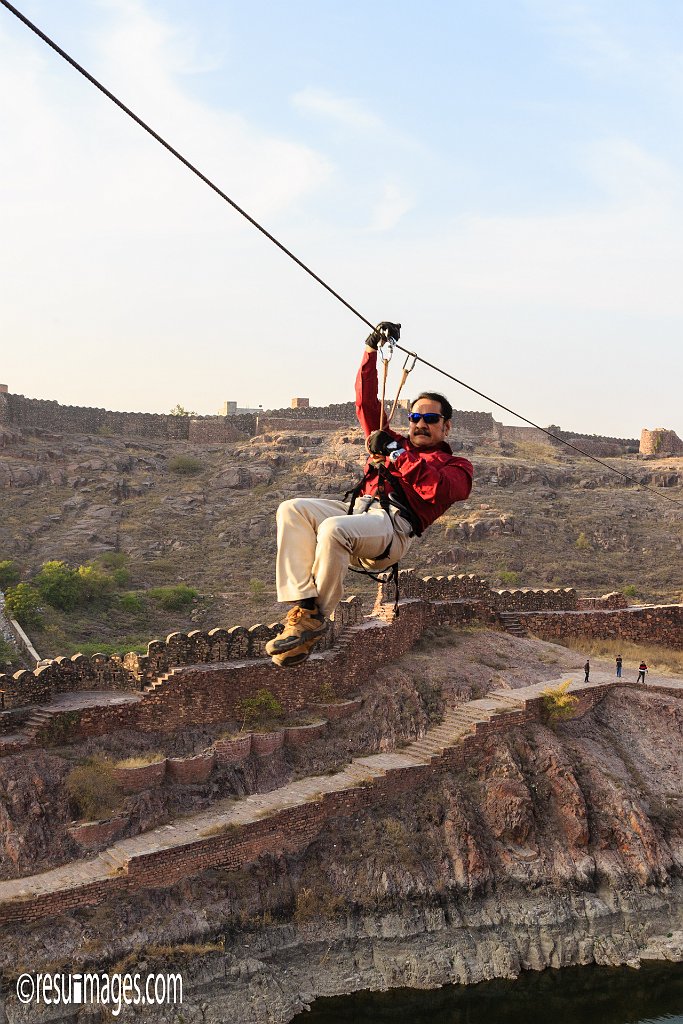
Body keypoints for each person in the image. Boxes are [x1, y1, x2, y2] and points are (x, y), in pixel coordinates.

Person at [265, 322, 474, 667]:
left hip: (391, 528)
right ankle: (302, 604)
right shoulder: (394, 440)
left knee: (334, 528)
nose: (420, 423)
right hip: (360, 510)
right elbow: (366, 402)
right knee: (293, 509)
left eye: (430, 418)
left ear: (446, 426)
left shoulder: (457, 466)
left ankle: (318, 617)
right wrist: (371, 351)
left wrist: (395, 454)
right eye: (415, 416)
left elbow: (435, 488)